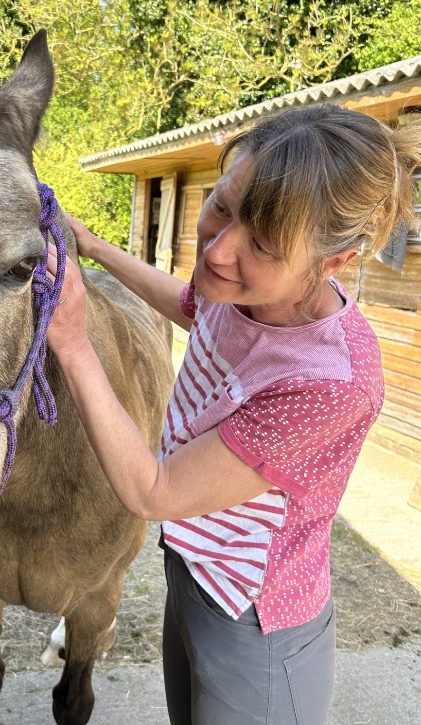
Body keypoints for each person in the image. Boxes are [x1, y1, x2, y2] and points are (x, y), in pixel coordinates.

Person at [45, 104, 421, 725]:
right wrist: (92, 246)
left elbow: (153, 490)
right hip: (194, 563)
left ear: (334, 262)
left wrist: (73, 339)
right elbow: (193, 305)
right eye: (220, 207)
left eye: (263, 244)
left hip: (254, 618)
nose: (218, 253)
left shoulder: (329, 381)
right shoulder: (240, 290)